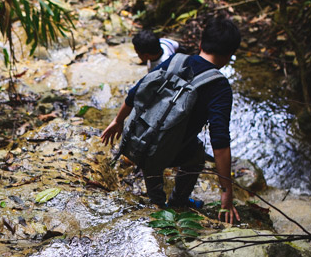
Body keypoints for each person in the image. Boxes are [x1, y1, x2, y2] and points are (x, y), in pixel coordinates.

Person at [103, 16, 241, 225]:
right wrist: (226, 191)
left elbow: (135, 93)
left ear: (201, 43)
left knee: (159, 148)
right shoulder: (219, 87)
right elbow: (220, 143)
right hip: (163, 151)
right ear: (230, 55)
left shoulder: (177, 60)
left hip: (136, 143)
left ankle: (157, 203)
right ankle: (178, 202)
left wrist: (117, 121)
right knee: (196, 153)